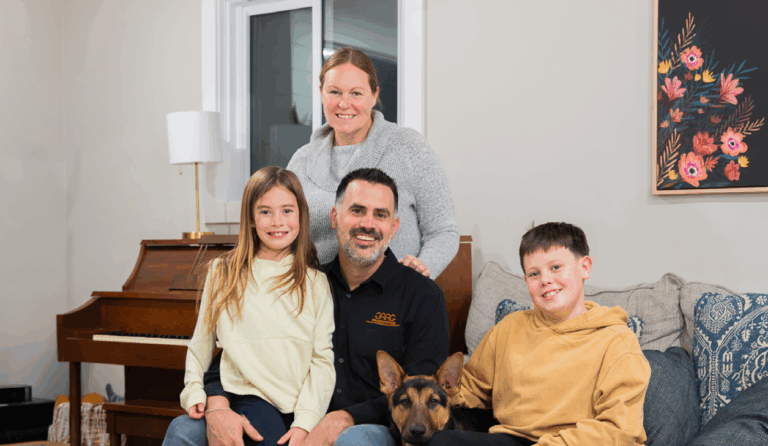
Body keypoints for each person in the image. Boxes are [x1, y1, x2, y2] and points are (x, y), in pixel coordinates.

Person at [163, 167, 450, 446]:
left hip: (369, 424)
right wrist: (217, 404)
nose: (368, 224)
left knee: (354, 441)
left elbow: (422, 392)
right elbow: (242, 350)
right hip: (289, 412)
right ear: (335, 218)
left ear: (394, 227)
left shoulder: (422, 296)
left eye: (381, 215)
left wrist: (346, 417)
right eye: (357, 210)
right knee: (184, 429)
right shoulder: (308, 281)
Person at [430, 222, 651, 446]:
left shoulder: (617, 341)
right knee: (442, 440)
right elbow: (470, 386)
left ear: (585, 267)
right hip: (512, 439)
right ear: (526, 281)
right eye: (534, 273)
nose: (545, 280)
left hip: (581, 442)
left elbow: (617, 430)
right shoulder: (509, 328)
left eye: (556, 267)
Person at [178, 166, 335, 446]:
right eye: (265, 211)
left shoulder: (315, 282)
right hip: (239, 394)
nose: (277, 221)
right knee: (185, 432)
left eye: (287, 210)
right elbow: (201, 341)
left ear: (301, 215)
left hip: (291, 406)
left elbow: (322, 361)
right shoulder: (222, 272)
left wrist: (306, 422)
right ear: (250, 219)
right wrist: (193, 391)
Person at [286, 47, 459, 279]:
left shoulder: (408, 147)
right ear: (321, 93)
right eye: (334, 92)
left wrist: (418, 275)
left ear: (374, 95)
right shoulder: (301, 161)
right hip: (319, 300)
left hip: (392, 297)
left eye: (356, 93)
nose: (344, 103)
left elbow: (443, 231)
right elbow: (288, 235)